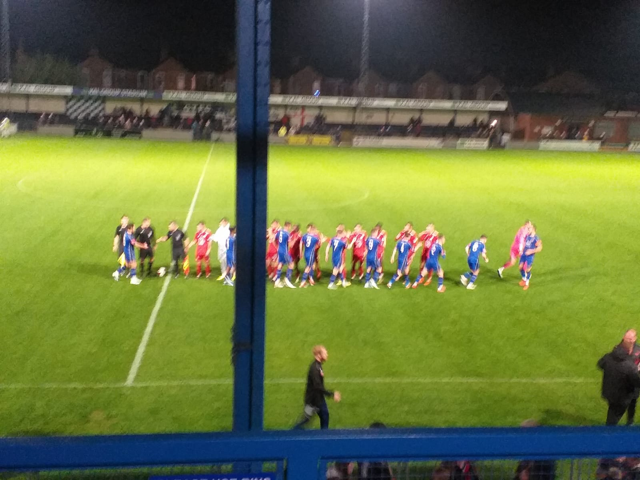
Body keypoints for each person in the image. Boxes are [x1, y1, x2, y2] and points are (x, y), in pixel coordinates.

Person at [293, 345, 341, 430]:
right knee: (305, 419)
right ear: (319, 355)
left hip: (319, 399)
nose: (327, 355)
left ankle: (324, 437)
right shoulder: (315, 368)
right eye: (325, 353)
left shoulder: (318, 366)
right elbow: (318, 386)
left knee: (325, 416)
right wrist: (332, 394)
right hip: (313, 401)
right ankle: (291, 434)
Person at [597, 344, 640, 425]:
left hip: (612, 391)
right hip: (622, 394)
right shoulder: (628, 365)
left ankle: (629, 422)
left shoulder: (609, 357)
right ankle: (610, 432)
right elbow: (636, 381)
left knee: (613, 412)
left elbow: (600, 364)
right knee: (613, 416)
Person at [618, 329, 640, 425]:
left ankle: (630, 422)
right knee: (619, 402)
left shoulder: (638, 350)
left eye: (631, 338)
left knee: (633, 402)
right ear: (624, 338)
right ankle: (613, 422)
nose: (630, 340)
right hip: (622, 381)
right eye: (628, 338)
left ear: (635, 338)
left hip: (634, 381)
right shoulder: (618, 349)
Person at [519, 225, 542, 291]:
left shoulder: (536, 238)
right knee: (520, 267)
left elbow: (540, 248)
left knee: (527, 270)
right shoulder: (527, 236)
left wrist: (531, 251)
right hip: (524, 254)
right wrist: (521, 250)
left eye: (529, 229)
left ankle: (527, 283)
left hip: (530, 256)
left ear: (533, 229)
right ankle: (524, 279)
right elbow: (524, 243)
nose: (528, 230)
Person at [325, 225, 349, 290]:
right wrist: (352, 241)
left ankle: (343, 281)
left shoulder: (333, 239)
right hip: (338, 257)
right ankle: (331, 283)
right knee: (336, 270)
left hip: (333, 257)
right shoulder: (342, 242)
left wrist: (326, 254)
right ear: (341, 233)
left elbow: (328, 246)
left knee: (340, 268)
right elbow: (348, 247)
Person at [274, 221, 296, 289]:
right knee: (291, 264)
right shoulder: (287, 234)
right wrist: (294, 240)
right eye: (290, 226)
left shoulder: (279, 232)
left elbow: (275, 240)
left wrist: (277, 247)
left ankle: (277, 281)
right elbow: (290, 245)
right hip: (284, 252)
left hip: (279, 250)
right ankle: (287, 280)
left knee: (280, 263)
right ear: (288, 226)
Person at [299, 224, 321, 288]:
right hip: (311, 254)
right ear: (313, 230)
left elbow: (301, 243)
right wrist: (320, 238)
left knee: (310, 265)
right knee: (308, 267)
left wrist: (300, 252)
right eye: (315, 230)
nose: (316, 231)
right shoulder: (315, 237)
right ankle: (303, 281)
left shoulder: (305, 235)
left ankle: (311, 279)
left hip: (306, 253)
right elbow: (319, 244)